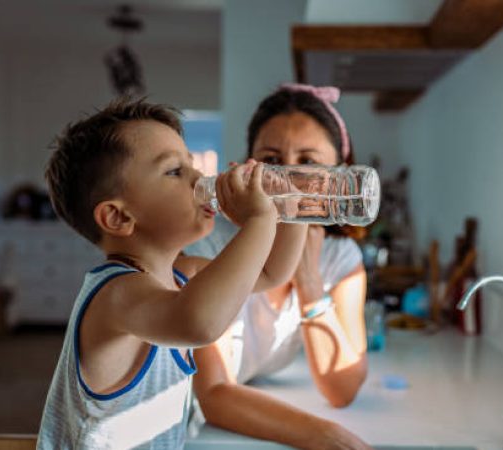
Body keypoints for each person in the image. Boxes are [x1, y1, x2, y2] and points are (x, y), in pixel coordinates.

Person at [36, 97, 308, 449]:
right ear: (119, 217)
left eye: (191, 163)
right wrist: (258, 222)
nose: (199, 177)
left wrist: (294, 204)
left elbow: (272, 272)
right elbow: (200, 324)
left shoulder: (182, 273)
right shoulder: (115, 294)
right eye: (174, 171)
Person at [182, 84, 372, 450]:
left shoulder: (340, 257)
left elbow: (342, 389)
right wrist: (326, 435)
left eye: (308, 163)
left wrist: (308, 278)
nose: (289, 179)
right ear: (248, 165)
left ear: (339, 175)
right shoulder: (207, 244)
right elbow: (213, 394)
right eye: (271, 160)